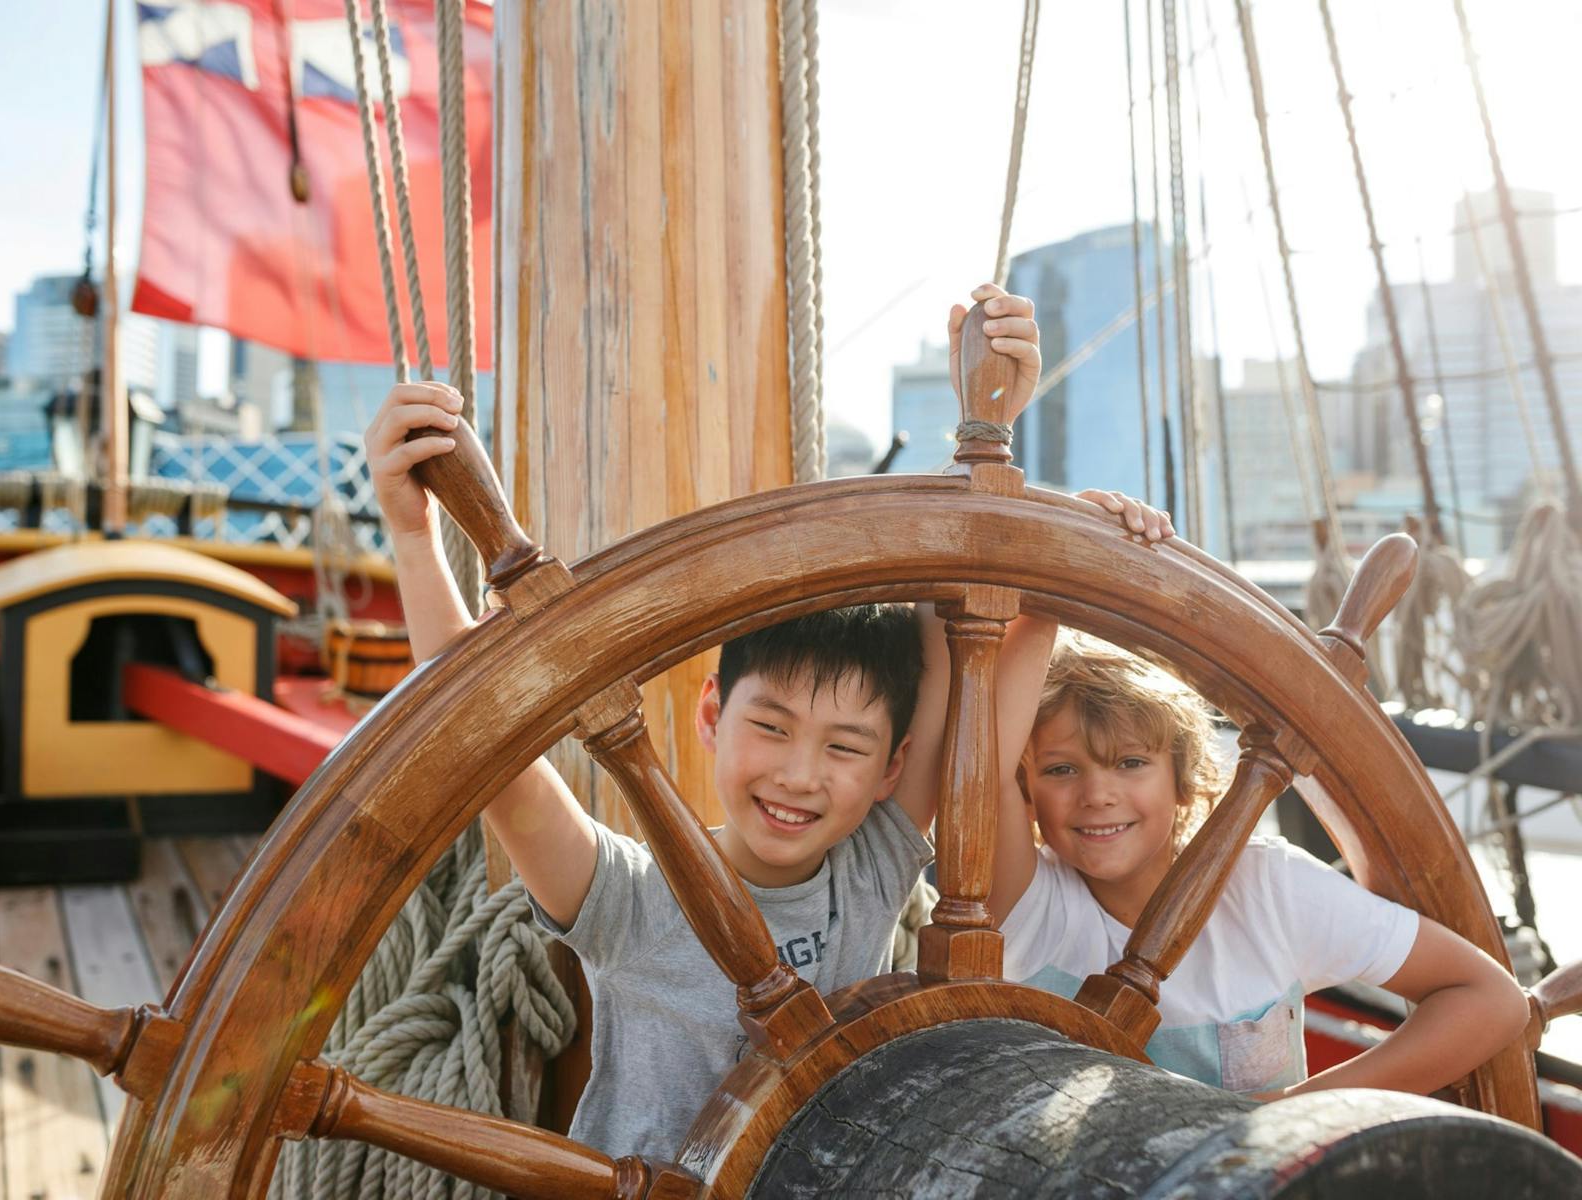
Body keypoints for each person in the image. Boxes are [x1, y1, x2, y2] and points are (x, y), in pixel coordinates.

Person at [366, 283, 1165, 1159]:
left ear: (893, 768)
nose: (798, 774)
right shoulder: (630, 901)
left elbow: (965, 653)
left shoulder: (871, 867)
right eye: (773, 727)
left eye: (845, 746)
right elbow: (489, 745)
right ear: (712, 712)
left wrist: (1028, 504)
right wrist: (412, 538)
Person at [986, 632, 1531, 1098]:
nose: (1098, 794)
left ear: (1182, 779)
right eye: (1061, 770)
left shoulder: (1268, 887)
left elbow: (1492, 998)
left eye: (1131, 762)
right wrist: (1072, 560)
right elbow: (986, 740)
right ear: (1024, 793)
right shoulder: (1030, 903)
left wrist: (1293, 1113)